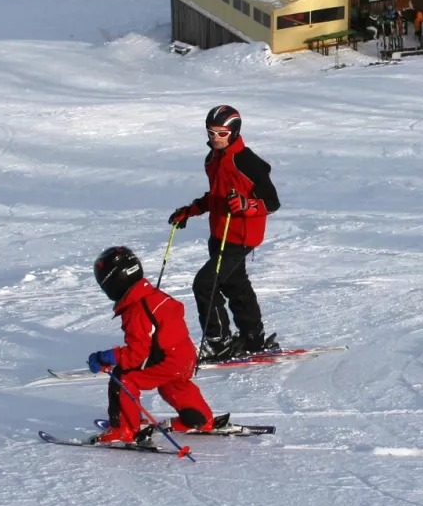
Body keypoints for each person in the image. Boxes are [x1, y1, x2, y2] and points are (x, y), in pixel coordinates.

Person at [169, 105, 281, 362]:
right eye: (210, 132)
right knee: (236, 285)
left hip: (241, 237)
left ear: (234, 132)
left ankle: (218, 343)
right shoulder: (212, 159)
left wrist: (247, 206)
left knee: (205, 285)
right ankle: (254, 338)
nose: (214, 137)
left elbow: (272, 203)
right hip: (219, 233)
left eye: (221, 132)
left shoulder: (248, 163)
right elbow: (216, 197)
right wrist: (189, 211)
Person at [86, 246, 221, 446]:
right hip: (183, 357)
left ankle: (124, 429)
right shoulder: (153, 296)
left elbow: (136, 355)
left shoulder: (137, 310)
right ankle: (201, 419)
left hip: (167, 361)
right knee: (173, 385)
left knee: (123, 379)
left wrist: (107, 357)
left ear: (114, 283)